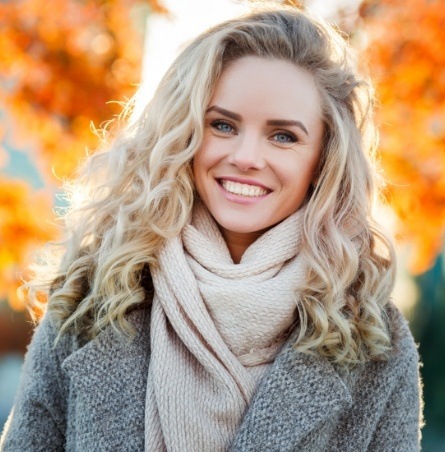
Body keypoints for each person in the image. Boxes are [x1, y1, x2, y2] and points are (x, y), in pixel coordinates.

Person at [0, 4, 422, 451]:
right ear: (184, 134)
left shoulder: (376, 344)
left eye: (283, 136)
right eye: (222, 125)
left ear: (323, 159)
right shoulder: (94, 298)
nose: (245, 156)